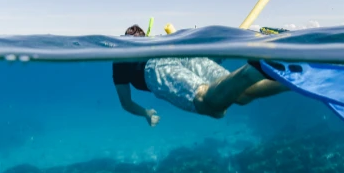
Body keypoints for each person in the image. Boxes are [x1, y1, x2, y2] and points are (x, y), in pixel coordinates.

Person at [113, 24, 287, 126]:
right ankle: (286, 77)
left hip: (155, 69)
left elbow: (126, 103)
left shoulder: (120, 60)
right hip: (183, 53)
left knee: (209, 104)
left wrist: (147, 113)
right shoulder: (156, 42)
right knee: (242, 95)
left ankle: (253, 68)